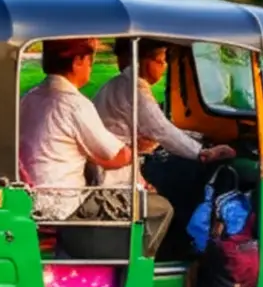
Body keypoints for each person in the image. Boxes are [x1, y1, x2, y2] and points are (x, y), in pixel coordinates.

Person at [19, 38, 173, 253]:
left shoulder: (30, 97)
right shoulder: (74, 104)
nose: (90, 68)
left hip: (30, 198)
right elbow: (117, 156)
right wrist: (137, 147)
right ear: (77, 62)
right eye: (90, 61)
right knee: (160, 207)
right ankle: (132, 269)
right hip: (64, 206)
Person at [93, 38, 235, 189]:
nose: (165, 66)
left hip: (119, 166)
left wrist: (196, 137)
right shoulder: (136, 92)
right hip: (116, 177)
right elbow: (162, 130)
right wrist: (202, 153)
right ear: (147, 62)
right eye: (161, 61)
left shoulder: (115, 85)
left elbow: (157, 128)